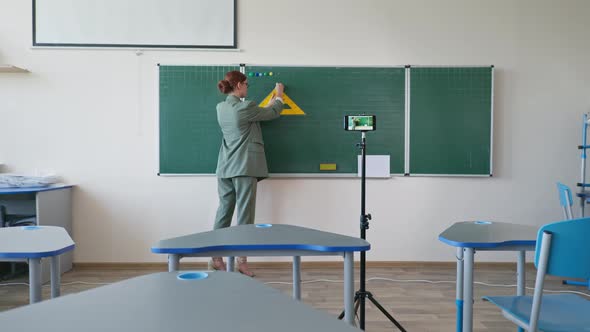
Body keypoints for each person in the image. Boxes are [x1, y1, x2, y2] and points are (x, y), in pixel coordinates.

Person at [209, 70, 285, 277]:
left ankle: (215, 258)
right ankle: (242, 263)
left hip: (225, 167)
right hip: (243, 167)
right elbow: (272, 113)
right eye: (247, 84)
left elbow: (257, 113)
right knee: (245, 214)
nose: (248, 87)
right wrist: (279, 95)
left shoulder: (221, 107)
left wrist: (268, 103)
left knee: (224, 211)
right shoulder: (246, 107)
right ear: (240, 85)